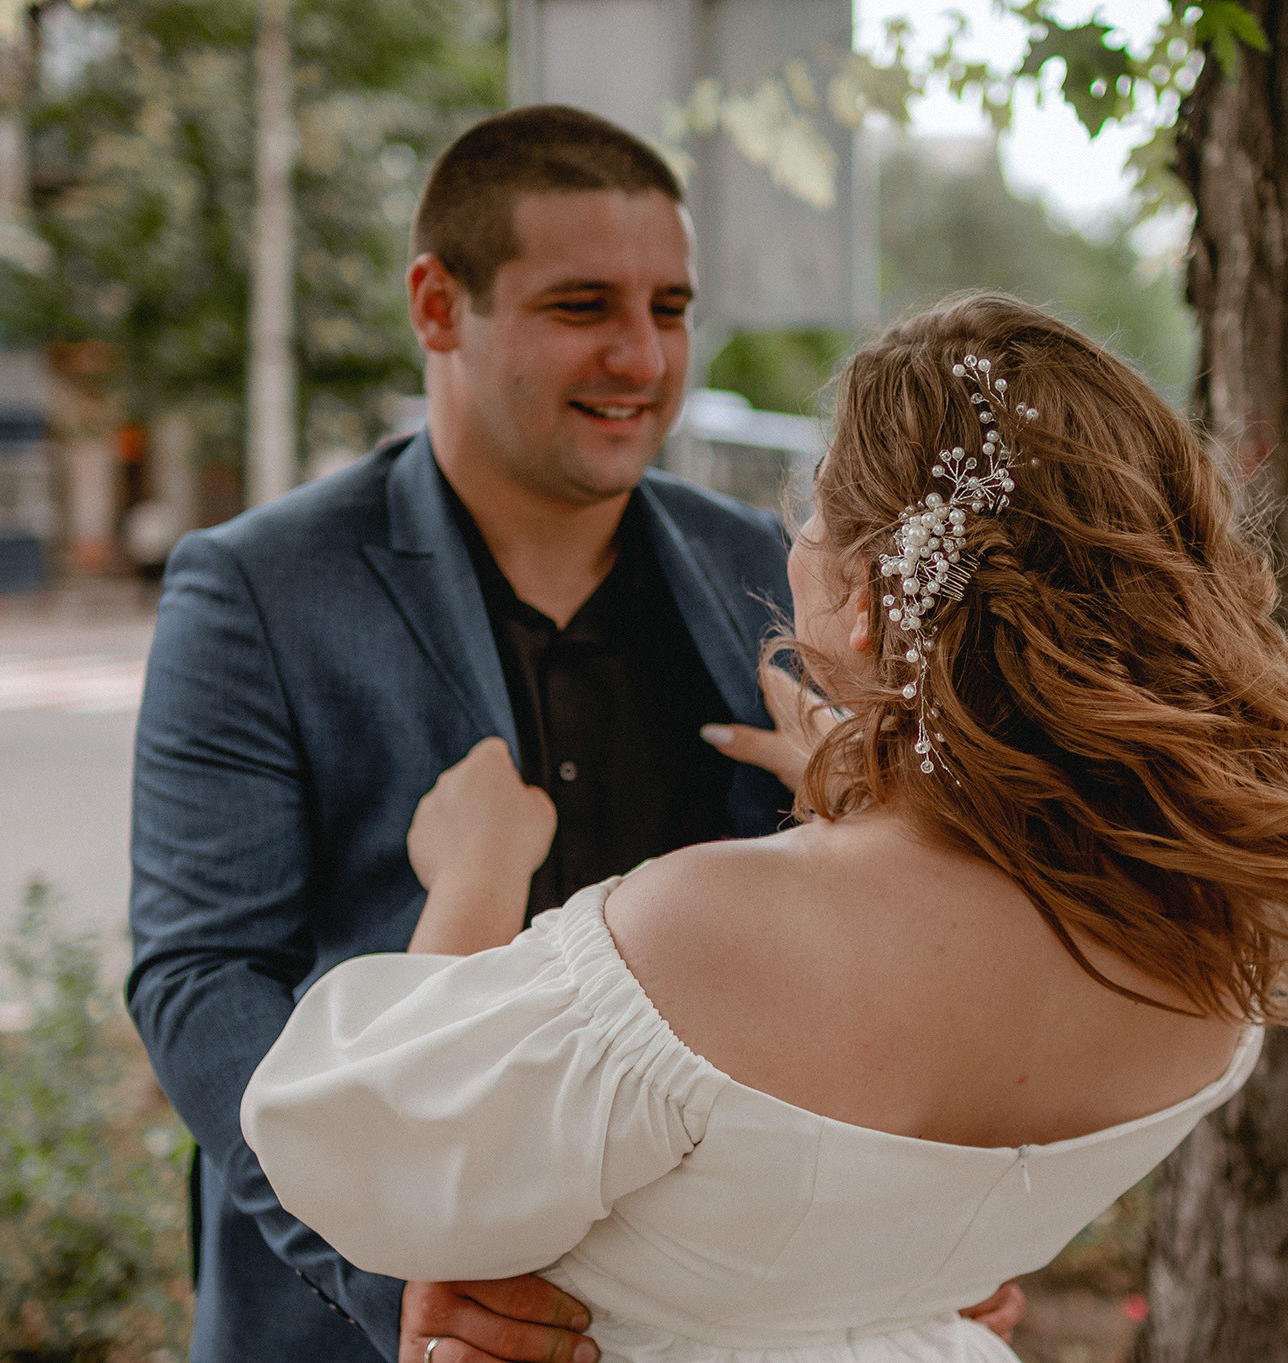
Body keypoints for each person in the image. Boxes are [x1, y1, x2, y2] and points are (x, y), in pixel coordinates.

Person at [240, 292, 1288, 1363]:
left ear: (867, 596)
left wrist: (476, 874)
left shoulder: (707, 925)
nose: (789, 544)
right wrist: (875, 797)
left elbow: (358, 1139)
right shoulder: (1211, 947)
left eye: (811, 516)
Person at [129, 105, 831, 1363]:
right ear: (437, 307)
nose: (642, 357)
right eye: (581, 307)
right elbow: (201, 978)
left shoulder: (758, 573)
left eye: (667, 309)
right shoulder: (255, 587)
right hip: (366, 1324)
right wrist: (387, 1266)